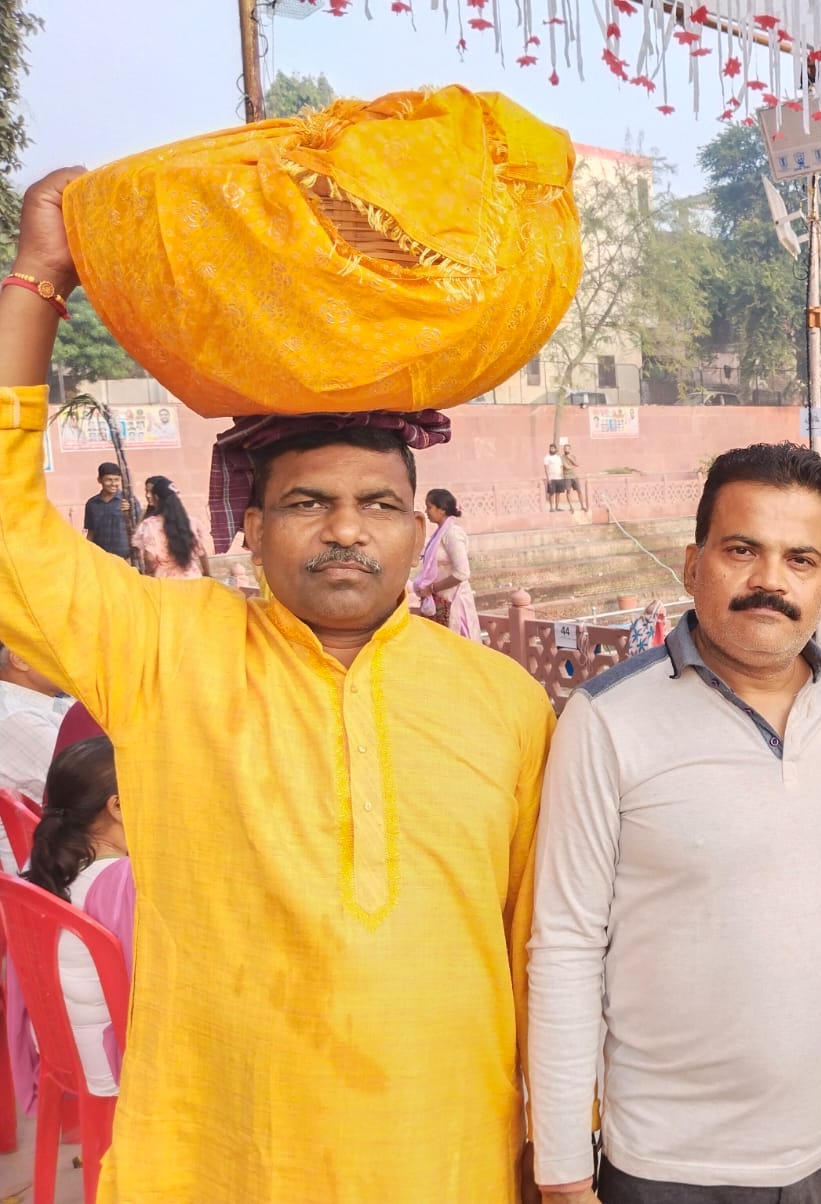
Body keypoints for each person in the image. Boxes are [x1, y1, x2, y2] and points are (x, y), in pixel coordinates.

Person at [0, 169, 555, 1202]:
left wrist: (554, 1152)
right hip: (222, 1160)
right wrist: (39, 276)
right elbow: (8, 532)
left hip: (450, 1159)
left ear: (419, 531)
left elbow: (539, 950)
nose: (346, 528)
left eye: (378, 504)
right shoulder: (166, 646)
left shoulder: (507, 703)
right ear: (248, 529)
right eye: (308, 501)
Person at [530, 443, 821, 1204]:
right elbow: (566, 945)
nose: (770, 581)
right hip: (670, 1167)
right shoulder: (607, 719)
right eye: (742, 550)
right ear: (693, 563)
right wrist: (564, 1170)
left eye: (800, 559)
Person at [6, 736, 134, 1105]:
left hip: (60, 1047)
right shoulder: (122, 882)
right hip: (114, 1062)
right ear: (119, 806)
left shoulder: (43, 860)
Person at [0, 639, 69, 869]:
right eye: (57, 651)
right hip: (52, 865)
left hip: (64, 849)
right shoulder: (15, 717)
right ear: (18, 659)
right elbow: (95, 784)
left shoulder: (50, 704)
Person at [413, 487, 482, 642]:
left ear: (442, 509)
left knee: (458, 650)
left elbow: (462, 573)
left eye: (429, 507)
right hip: (440, 601)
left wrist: (433, 588)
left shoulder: (452, 534)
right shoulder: (439, 534)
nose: (426, 511)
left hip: (454, 602)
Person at [132, 474, 209, 579]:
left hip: (165, 581)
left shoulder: (150, 525)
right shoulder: (191, 522)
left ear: (156, 498)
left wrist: (149, 574)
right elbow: (201, 552)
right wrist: (208, 574)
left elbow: (149, 557)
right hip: (193, 579)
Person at [82, 460, 140, 563]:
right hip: (101, 559)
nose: (113, 484)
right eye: (108, 480)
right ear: (99, 480)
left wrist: (130, 513)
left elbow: (139, 528)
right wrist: (86, 554)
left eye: (116, 480)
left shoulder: (128, 500)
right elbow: (90, 533)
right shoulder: (92, 504)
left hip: (126, 559)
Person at [544, 441, 583, 512]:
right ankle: (553, 508)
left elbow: (575, 464)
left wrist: (570, 458)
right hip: (559, 477)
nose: (566, 450)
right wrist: (548, 478)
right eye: (565, 449)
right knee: (555, 493)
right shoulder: (554, 457)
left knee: (559, 493)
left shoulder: (564, 457)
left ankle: (558, 507)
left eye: (568, 449)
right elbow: (566, 467)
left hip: (566, 477)